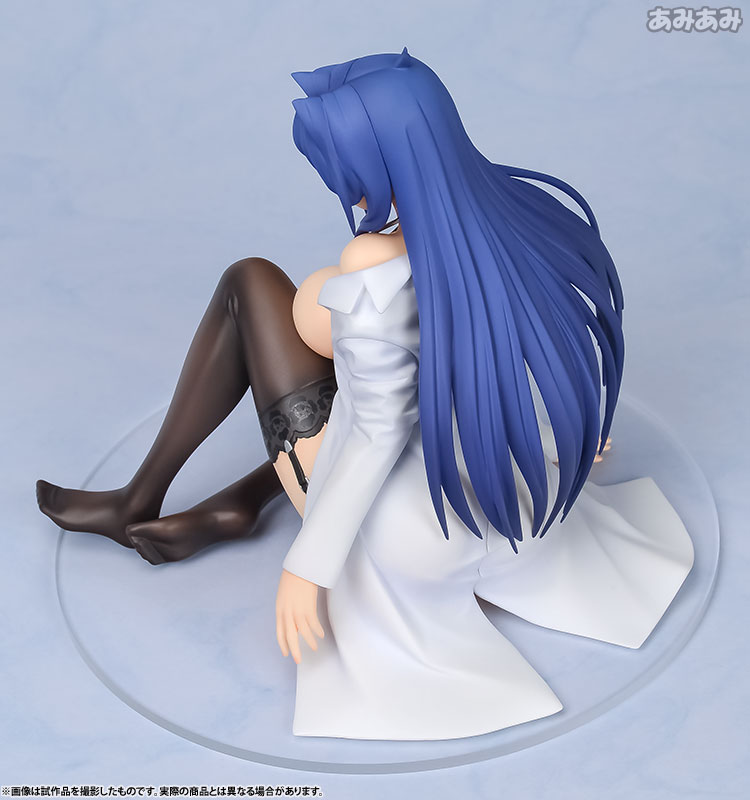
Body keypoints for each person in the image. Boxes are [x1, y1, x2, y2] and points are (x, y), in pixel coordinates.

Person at [37, 49, 695, 740]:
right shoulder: (513, 214)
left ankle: (137, 500)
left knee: (249, 283)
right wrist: (566, 433)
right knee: (343, 351)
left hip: (413, 526)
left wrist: (308, 566)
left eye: (349, 176)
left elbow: (378, 429)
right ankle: (240, 502)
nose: (349, 194)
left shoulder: (376, 262)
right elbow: (543, 336)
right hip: (512, 502)